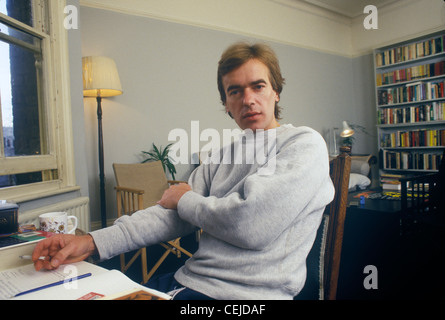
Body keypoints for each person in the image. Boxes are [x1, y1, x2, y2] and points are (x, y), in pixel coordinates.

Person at [32, 42, 335, 300]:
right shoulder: (222, 155)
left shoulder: (303, 144)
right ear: (226, 104)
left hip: (243, 297)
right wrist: (92, 242)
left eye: (258, 86)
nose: (248, 100)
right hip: (187, 282)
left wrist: (185, 198)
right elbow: (169, 213)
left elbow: (250, 225)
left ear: (276, 92)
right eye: (235, 91)